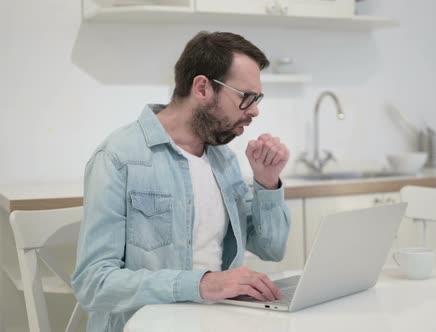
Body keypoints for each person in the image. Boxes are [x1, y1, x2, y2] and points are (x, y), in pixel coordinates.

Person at [72, 31, 291, 332]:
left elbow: (272, 249)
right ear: (202, 87)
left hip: (219, 321)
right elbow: (93, 283)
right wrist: (202, 284)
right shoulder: (118, 158)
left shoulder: (223, 160)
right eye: (246, 97)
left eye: (258, 99)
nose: (254, 110)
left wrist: (267, 183)